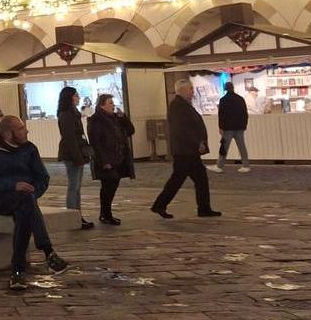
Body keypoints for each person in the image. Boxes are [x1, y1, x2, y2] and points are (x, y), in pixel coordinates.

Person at [0, 116, 70, 290]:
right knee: (26, 204)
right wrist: (13, 185)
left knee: (24, 212)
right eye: (20, 128)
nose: (26, 131)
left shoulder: (29, 149)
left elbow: (42, 177)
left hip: (26, 199)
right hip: (1, 199)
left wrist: (34, 190)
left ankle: (18, 272)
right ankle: (48, 253)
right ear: (8, 133)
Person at [151, 78, 223, 219]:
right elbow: (183, 129)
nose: (192, 91)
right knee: (182, 179)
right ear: (182, 90)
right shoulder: (178, 106)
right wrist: (198, 142)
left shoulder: (184, 104)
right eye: (190, 89)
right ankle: (161, 205)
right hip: (185, 151)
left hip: (188, 150)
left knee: (191, 179)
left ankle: (203, 208)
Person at [86, 94, 135, 225]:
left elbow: (130, 131)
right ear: (102, 105)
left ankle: (106, 213)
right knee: (108, 186)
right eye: (110, 103)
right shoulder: (95, 120)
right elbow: (96, 143)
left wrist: (124, 118)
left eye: (113, 103)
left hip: (118, 157)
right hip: (107, 159)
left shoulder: (116, 118)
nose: (113, 105)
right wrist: (104, 161)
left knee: (113, 184)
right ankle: (106, 214)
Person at [56, 87, 94, 229]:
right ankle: (73, 217)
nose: (78, 98)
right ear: (69, 97)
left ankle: (77, 215)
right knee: (73, 186)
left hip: (77, 153)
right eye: (76, 96)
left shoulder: (73, 113)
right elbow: (70, 138)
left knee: (77, 187)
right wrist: (78, 157)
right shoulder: (66, 114)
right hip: (72, 154)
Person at [211, 81, 251, 174]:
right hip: (239, 127)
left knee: (224, 147)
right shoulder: (240, 99)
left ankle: (219, 165)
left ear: (225, 89)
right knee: (242, 146)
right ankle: (246, 165)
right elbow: (245, 113)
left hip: (228, 128)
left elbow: (221, 115)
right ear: (233, 88)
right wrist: (244, 125)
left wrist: (221, 127)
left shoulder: (223, 100)